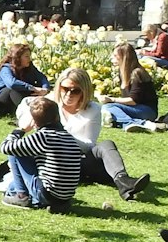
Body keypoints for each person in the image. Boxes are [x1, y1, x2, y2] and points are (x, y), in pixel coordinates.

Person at [17, 68, 149, 201]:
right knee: (21, 153)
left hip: (79, 160)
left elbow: (88, 144)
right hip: (53, 162)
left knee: (106, 145)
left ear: (84, 92)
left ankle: (124, 181)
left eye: (75, 91)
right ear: (59, 87)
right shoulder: (48, 104)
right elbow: (26, 117)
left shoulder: (94, 109)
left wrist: (62, 136)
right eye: (65, 89)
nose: (69, 94)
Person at [0, 96, 84, 210]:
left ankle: (21, 196)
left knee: (16, 151)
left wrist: (20, 130)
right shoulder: (69, 137)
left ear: (34, 122)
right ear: (57, 117)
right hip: (65, 197)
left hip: (47, 193)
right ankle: (28, 195)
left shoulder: (43, 137)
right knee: (13, 182)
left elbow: (6, 147)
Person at [99, 42, 158, 130]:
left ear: (124, 58)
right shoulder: (123, 72)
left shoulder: (137, 73)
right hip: (134, 108)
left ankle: (135, 123)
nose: (112, 58)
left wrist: (111, 99)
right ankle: (131, 123)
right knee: (105, 108)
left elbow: (133, 100)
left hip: (147, 110)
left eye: (115, 56)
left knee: (108, 107)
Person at [0, 42, 50, 116]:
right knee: (12, 89)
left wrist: (45, 89)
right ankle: (27, 115)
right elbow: (11, 83)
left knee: (38, 85)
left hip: (16, 99)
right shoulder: (6, 69)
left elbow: (42, 77)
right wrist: (32, 88)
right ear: (18, 57)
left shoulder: (29, 68)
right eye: (26, 56)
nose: (29, 59)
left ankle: (44, 113)